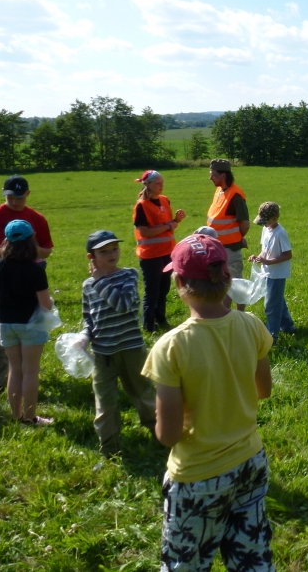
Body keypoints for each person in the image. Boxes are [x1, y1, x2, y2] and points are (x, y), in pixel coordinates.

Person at [142, 234, 274, 571]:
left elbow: (168, 435)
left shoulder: (171, 347)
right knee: (253, 560)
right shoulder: (252, 325)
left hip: (197, 477)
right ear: (228, 278)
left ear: (179, 284)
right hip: (250, 462)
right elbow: (263, 390)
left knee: (185, 565)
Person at [82, 230, 156, 457]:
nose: (112, 254)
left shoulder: (128, 275)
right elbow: (88, 317)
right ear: (91, 257)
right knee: (105, 402)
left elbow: (123, 305)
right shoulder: (88, 285)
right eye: (104, 251)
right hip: (102, 353)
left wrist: (100, 281)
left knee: (143, 393)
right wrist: (84, 336)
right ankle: (110, 447)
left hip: (131, 348)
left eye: (114, 249)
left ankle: (160, 432)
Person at [0, 175, 53, 400]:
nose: (14, 201)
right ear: (4, 194)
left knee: (24, 336)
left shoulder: (37, 219)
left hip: (27, 285)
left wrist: (29, 246)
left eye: (19, 197)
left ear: (28, 194)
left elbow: (47, 250)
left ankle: (22, 375)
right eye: (10, 197)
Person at [133, 170, 186, 332]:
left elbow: (168, 224)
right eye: (157, 183)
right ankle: (149, 325)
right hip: (150, 255)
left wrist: (176, 220)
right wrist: (169, 226)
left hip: (167, 253)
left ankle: (161, 320)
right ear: (148, 185)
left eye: (162, 183)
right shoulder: (141, 206)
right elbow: (144, 232)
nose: (161, 186)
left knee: (164, 289)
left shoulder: (165, 200)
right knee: (152, 291)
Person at [207, 158, 250, 310]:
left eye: (213, 174)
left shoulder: (236, 195)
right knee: (224, 283)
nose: (210, 178)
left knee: (236, 283)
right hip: (218, 247)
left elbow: (245, 224)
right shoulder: (219, 190)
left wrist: (238, 238)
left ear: (223, 175)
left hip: (230, 249)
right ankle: (226, 315)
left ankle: (240, 316)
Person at [249, 201, 295, 339]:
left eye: (266, 221)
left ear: (275, 218)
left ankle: (272, 334)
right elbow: (265, 249)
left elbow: (288, 255)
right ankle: (288, 326)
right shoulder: (266, 229)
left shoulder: (280, 233)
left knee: (271, 305)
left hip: (277, 274)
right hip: (267, 271)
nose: (264, 224)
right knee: (277, 300)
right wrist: (258, 257)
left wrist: (269, 261)